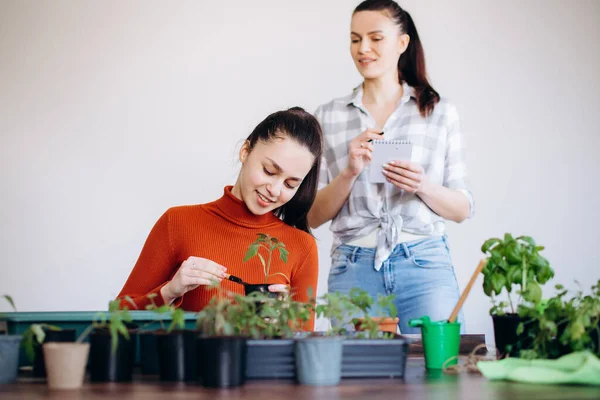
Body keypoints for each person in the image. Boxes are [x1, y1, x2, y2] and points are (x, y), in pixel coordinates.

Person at [308, 0, 474, 334]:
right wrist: (350, 171)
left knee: (437, 374)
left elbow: (462, 209)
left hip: (425, 264)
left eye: (375, 38)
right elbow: (311, 215)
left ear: (402, 42)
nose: (363, 48)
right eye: (355, 39)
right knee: (358, 378)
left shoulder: (439, 112)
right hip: (353, 267)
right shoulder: (328, 115)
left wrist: (422, 186)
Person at [118, 107, 322, 329]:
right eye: (269, 171)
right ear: (245, 151)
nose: (274, 189)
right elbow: (115, 319)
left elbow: (306, 352)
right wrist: (169, 291)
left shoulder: (302, 247)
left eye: (290, 184)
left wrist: (286, 322)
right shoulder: (177, 222)